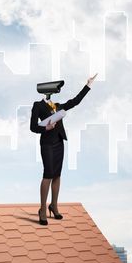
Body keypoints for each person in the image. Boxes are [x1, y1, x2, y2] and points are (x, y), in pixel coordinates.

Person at [30, 74, 97, 225]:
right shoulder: (37, 105)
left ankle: (53, 205)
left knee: (57, 175)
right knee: (47, 175)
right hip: (47, 144)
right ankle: (42, 210)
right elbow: (33, 127)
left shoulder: (58, 106)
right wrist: (46, 127)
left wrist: (88, 85)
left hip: (59, 143)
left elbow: (75, 101)